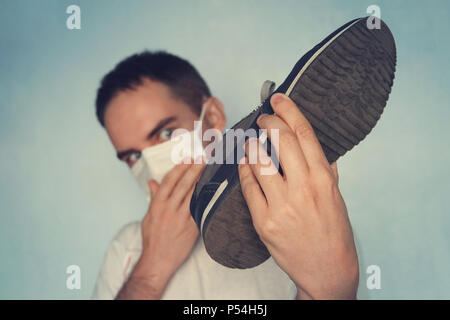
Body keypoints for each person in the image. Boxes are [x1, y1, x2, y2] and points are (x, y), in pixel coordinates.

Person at [92, 50, 359, 300]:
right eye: (133, 157)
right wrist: (151, 268)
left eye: (166, 133)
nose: (150, 164)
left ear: (213, 116)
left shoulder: (298, 216)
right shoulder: (126, 249)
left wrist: (329, 289)